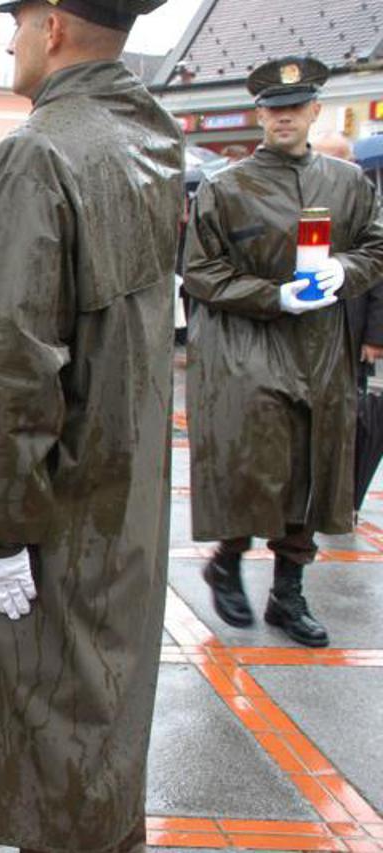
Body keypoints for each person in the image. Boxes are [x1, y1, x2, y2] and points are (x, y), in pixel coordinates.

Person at [0, 1, 183, 850]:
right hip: (124, 497)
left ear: (56, 29)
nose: (9, 36)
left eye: (21, 17)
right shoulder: (150, 139)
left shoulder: (38, 152)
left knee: (50, 745)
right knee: (102, 730)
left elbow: (8, 365)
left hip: (57, 511)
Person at [186, 57, 383, 648]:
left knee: (314, 466)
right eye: (274, 108)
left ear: (314, 111)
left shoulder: (348, 185)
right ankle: (229, 556)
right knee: (255, 461)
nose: (283, 118)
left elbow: (376, 248)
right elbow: (198, 272)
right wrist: (274, 295)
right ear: (259, 113)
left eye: (295, 108)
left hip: (322, 347)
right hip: (245, 346)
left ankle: (288, 595)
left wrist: (340, 270)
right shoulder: (226, 186)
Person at [313, 131, 383, 393]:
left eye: (334, 158)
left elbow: (378, 272)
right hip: (306, 325)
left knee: (350, 400)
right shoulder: (301, 193)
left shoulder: (365, 200)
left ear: (351, 162)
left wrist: (375, 337)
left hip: (351, 323)